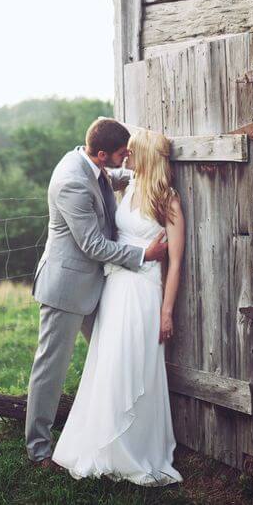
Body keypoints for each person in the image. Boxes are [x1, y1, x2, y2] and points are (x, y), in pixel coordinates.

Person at [25, 118, 169, 467]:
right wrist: (143, 255)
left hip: (96, 287)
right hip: (67, 288)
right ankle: (38, 449)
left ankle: (109, 436)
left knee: (109, 360)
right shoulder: (71, 181)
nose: (125, 159)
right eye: (122, 154)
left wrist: (149, 169)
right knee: (51, 369)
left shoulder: (92, 163)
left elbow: (118, 177)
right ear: (103, 153)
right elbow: (92, 244)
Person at [52, 127, 185, 486]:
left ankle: (134, 445)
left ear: (144, 155)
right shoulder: (125, 186)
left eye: (132, 152)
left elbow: (175, 262)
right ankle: (102, 442)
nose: (126, 156)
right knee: (108, 362)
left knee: (134, 365)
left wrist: (167, 311)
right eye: (124, 152)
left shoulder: (167, 200)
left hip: (144, 291)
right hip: (116, 287)